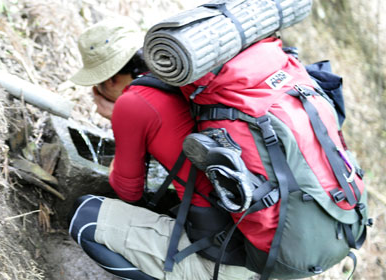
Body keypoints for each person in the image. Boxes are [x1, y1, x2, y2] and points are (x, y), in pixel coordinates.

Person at [67, 16, 255, 280]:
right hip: (258, 245)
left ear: (110, 81)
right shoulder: (186, 79)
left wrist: (120, 120)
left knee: (84, 216)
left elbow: (128, 192)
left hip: (222, 262)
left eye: (98, 83)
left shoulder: (133, 103)